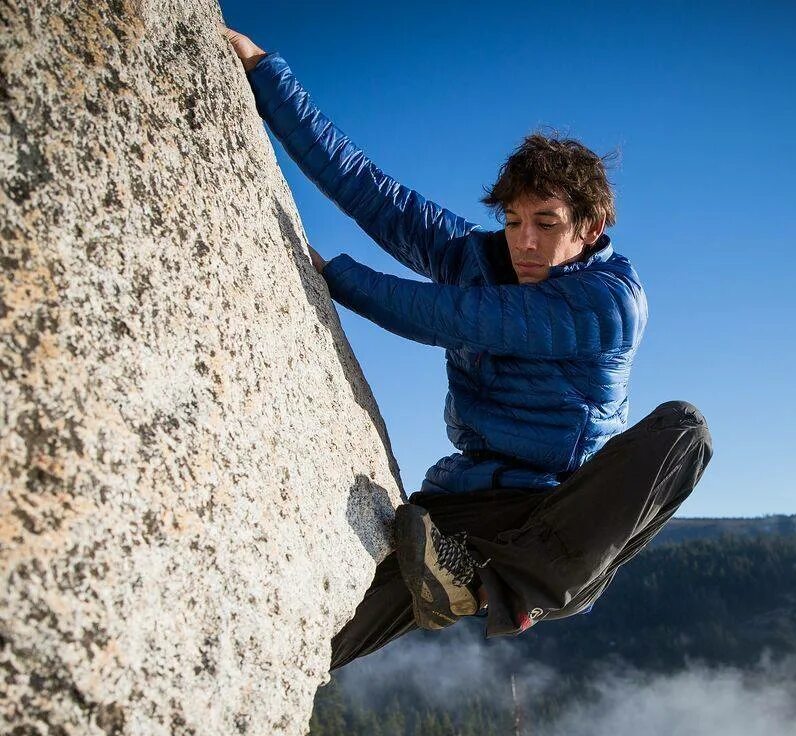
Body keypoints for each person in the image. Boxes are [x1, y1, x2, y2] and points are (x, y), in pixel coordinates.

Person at [223, 28, 713, 670]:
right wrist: (266, 76)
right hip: (458, 511)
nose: (524, 241)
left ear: (590, 229)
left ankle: (508, 589)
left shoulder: (606, 303)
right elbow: (375, 196)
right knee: (302, 651)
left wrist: (334, 277)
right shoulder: (478, 259)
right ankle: (457, 582)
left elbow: (459, 318)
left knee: (685, 431)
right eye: (513, 222)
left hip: (545, 520)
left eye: (547, 224)